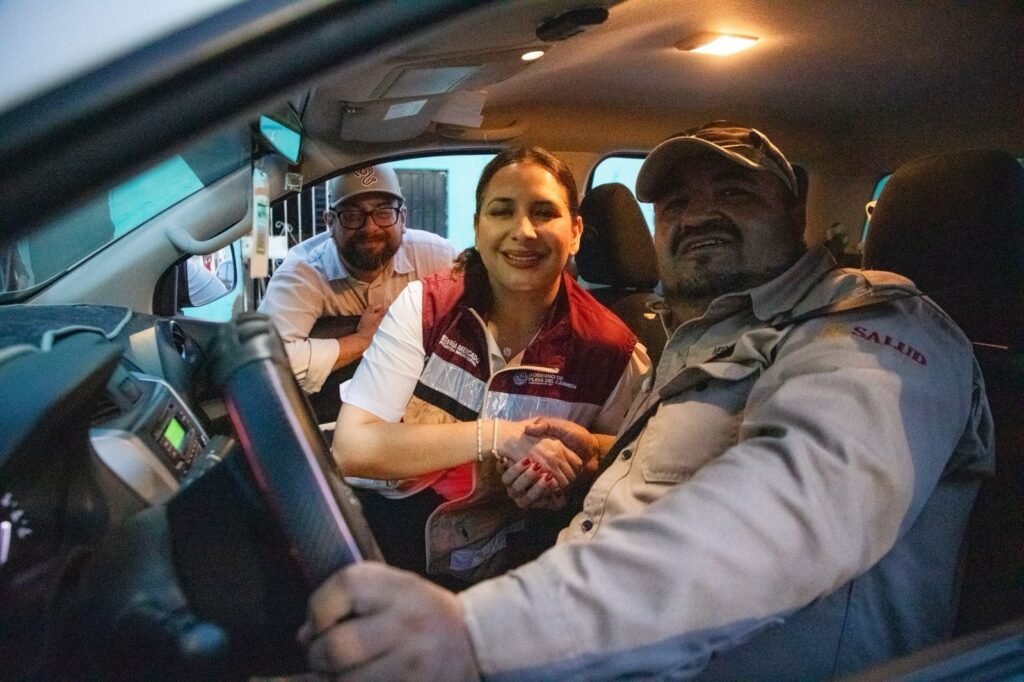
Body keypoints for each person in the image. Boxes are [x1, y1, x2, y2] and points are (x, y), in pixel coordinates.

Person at [299, 123, 994, 679]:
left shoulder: (873, 332)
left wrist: (481, 632)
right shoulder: (699, 339)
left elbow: (787, 512)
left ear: (797, 209)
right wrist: (588, 458)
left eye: (735, 192)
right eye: (677, 203)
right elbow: (659, 473)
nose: (700, 215)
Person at [333, 147, 651, 587]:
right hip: (393, 531)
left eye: (544, 213)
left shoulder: (612, 349)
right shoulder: (425, 306)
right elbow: (352, 448)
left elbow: (633, 468)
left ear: (575, 232)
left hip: (512, 560)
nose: (523, 231)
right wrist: (500, 437)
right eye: (502, 211)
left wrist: (570, 475)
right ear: (477, 228)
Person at [258, 165, 458, 394]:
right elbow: (266, 364)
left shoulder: (437, 255)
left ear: (402, 218)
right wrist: (362, 340)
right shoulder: (302, 273)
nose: (370, 227)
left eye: (383, 213)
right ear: (330, 223)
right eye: (352, 216)